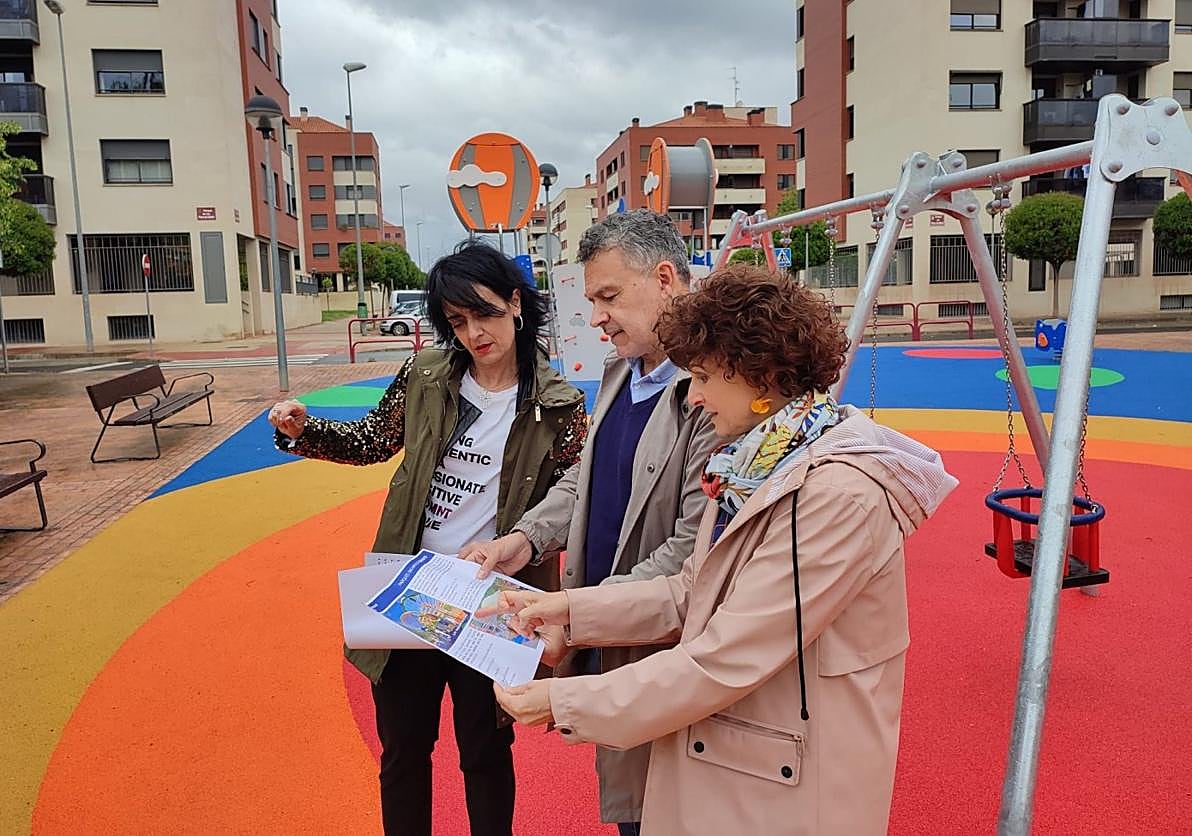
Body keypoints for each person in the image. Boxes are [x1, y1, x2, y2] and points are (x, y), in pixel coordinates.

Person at [485, 265, 958, 834]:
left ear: (760, 376)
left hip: (788, 780)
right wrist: (571, 611)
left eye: (704, 377)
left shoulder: (837, 496)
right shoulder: (752, 464)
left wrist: (564, 705)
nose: (696, 398)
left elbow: (729, 655)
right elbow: (693, 590)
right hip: (745, 756)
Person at [267, 242, 587, 836]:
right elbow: (371, 441)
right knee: (403, 752)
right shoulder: (425, 376)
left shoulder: (558, 407)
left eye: (485, 313)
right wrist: (304, 428)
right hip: (409, 590)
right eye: (458, 321)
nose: (474, 333)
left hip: (491, 600)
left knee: (485, 753)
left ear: (516, 303)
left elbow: (571, 505)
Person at [459, 210, 719, 834]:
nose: (597, 317)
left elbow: (692, 547)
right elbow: (586, 479)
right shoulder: (623, 373)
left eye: (608, 297)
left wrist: (574, 612)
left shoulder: (711, 392)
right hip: (607, 627)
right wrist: (522, 540)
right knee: (630, 805)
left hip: (660, 645)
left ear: (664, 279)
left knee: (667, 806)